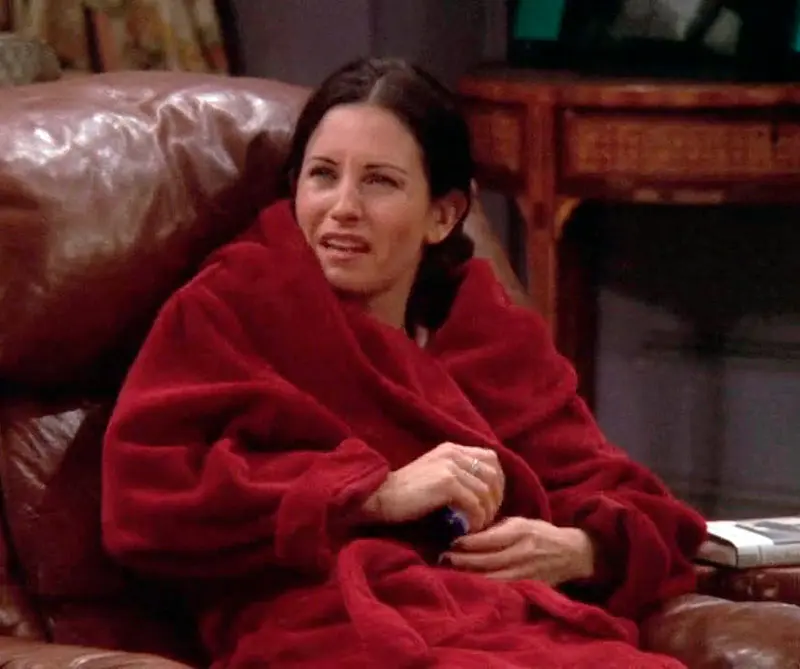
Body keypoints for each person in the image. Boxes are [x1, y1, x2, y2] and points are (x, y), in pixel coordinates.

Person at [101, 57, 707, 668]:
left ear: (442, 216)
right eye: (322, 175)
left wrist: (582, 549)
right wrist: (371, 493)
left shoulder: (488, 335)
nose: (343, 206)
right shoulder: (231, 307)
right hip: (328, 629)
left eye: (379, 182)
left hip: (501, 618)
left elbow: (630, 497)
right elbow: (147, 499)